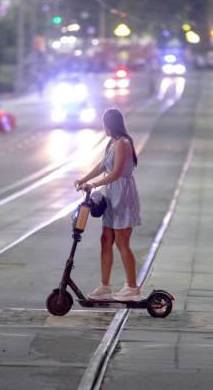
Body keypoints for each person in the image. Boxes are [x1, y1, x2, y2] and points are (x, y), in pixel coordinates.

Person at [74, 108, 142, 302]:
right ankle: (105, 287)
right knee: (106, 240)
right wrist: (83, 179)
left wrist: (93, 185)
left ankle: (132, 288)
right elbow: (102, 166)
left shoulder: (123, 143)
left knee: (122, 242)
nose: (103, 127)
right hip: (111, 196)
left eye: (104, 124)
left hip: (123, 195)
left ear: (110, 124)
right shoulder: (111, 143)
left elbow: (117, 173)